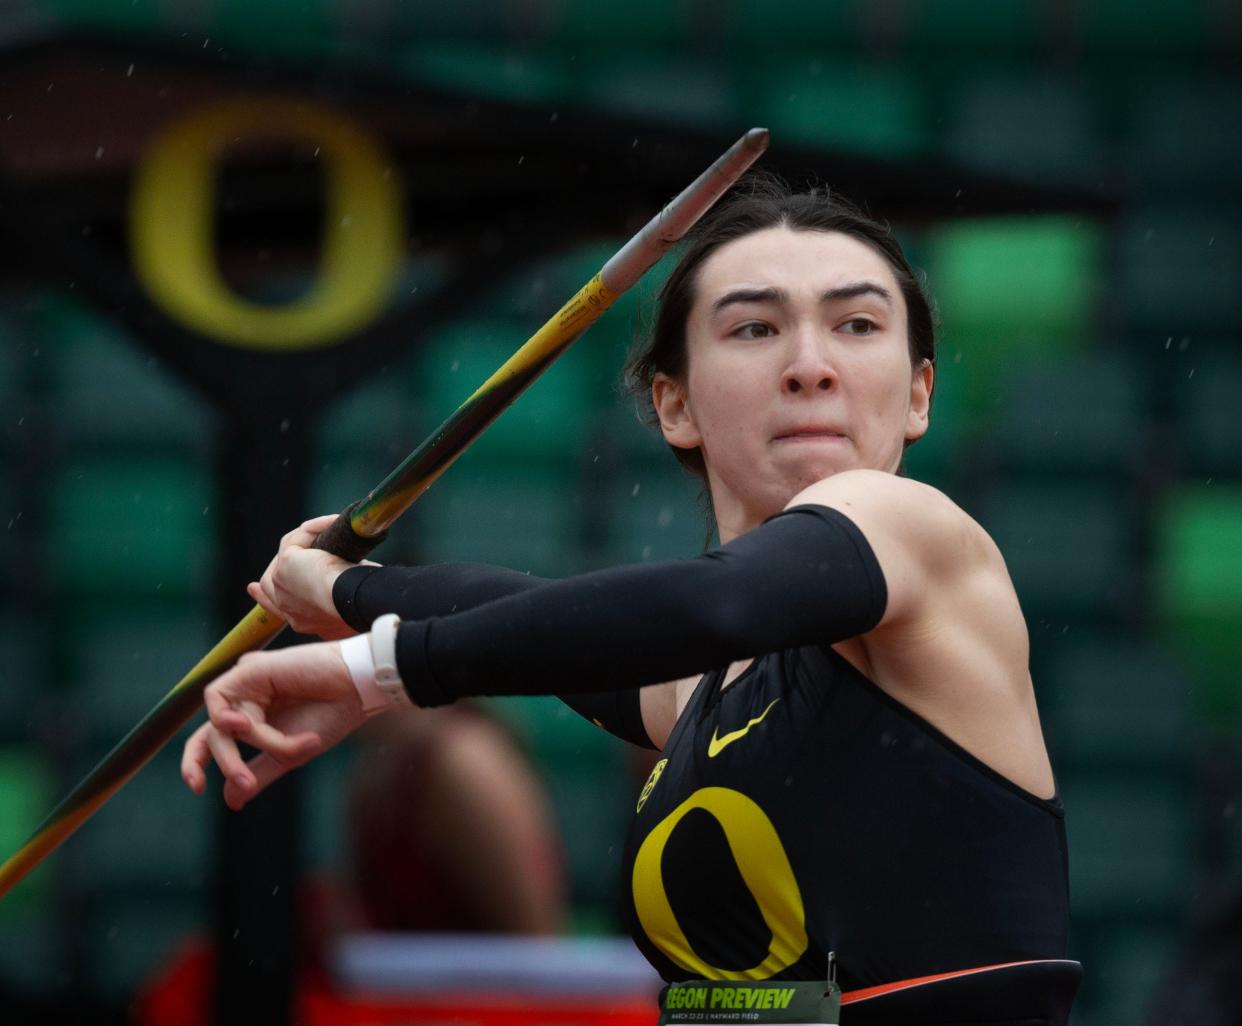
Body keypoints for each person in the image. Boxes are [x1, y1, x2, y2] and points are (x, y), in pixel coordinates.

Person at [180, 175, 1079, 1022]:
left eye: (855, 325)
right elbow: (554, 617)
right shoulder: (704, 685)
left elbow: (698, 609)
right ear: (674, 404)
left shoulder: (908, 527)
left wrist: (376, 661)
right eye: (755, 330)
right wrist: (345, 594)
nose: (811, 365)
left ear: (919, 394)